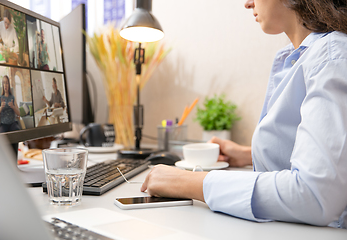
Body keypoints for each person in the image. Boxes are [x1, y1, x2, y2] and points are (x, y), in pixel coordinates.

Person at [141, 0, 347, 229]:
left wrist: (186, 182)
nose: (248, 3)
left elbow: (315, 195)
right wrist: (249, 154)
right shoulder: (299, 58)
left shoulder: (332, 57)